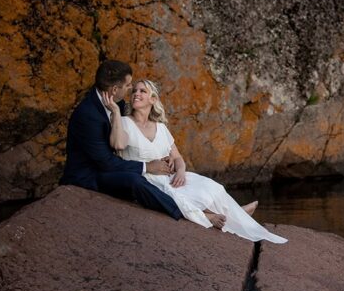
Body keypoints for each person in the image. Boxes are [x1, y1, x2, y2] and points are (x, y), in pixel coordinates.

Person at [110, 78, 287, 244]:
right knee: (181, 197)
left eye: (142, 91)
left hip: (171, 176)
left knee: (211, 187)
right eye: (134, 91)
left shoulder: (161, 128)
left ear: (153, 99)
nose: (136, 94)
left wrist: (180, 171)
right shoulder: (124, 122)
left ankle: (234, 213)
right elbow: (117, 144)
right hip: (147, 179)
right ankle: (218, 216)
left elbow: (178, 157)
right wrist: (116, 112)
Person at [61, 60, 182, 220]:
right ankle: (181, 213)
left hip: (108, 167)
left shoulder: (117, 101)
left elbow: (133, 132)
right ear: (114, 89)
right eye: (128, 85)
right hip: (89, 175)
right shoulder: (88, 115)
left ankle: (190, 207)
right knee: (134, 180)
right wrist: (147, 166)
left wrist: (166, 156)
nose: (131, 89)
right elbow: (106, 163)